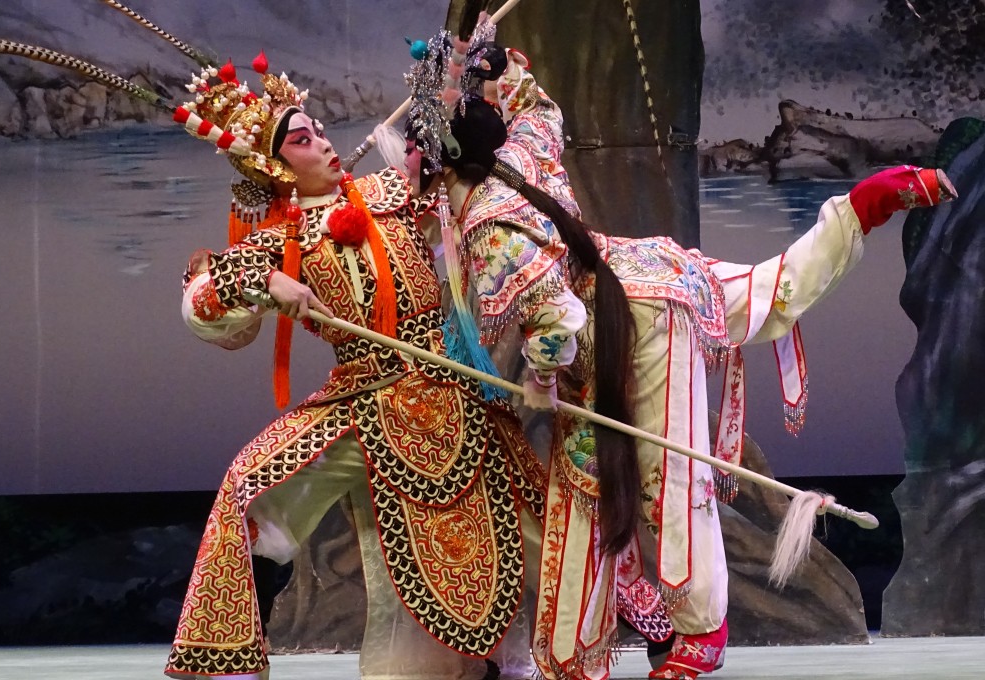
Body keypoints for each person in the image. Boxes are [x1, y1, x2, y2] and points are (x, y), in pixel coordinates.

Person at [403, 38, 955, 680]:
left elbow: (559, 321)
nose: (408, 163)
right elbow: (538, 106)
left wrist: (542, 377)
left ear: (437, 160)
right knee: (765, 294)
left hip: (632, 325)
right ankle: (860, 207)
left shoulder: (486, 225)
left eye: (413, 153)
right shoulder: (518, 155)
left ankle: (688, 633)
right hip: (645, 277)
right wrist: (500, 66)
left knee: (661, 474)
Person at [163, 54, 555, 680]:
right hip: (361, 395)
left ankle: (622, 625)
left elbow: (462, 181)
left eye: (319, 130)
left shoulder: (391, 191)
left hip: (447, 388)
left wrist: (458, 94)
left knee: (546, 522)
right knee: (244, 483)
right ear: (274, 165)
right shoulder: (279, 240)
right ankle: (227, 663)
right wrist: (268, 281)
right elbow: (202, 301)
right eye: (301, 140)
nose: (321, 141)